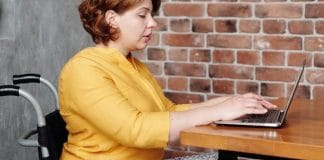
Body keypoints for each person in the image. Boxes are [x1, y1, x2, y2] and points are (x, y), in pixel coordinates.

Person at [58, 0, 277, 159]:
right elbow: (136, 130)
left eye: (151, 15)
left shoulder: (134, 66)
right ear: (112, 19)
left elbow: (168, 111)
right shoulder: (83, 69)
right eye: (142, 15)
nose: (153, 23)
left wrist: (230, 103)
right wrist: (218, 112)